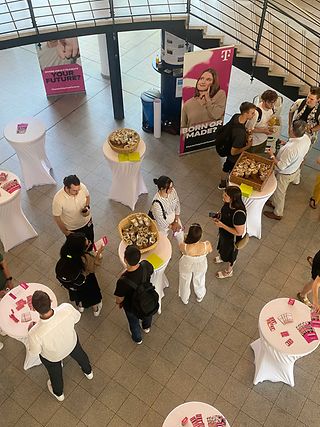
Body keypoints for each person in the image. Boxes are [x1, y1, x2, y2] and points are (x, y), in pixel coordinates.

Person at [28, 290, 93, 402]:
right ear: (50, 301)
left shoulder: (34, 333)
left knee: (55, 374)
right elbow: (77, 318)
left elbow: (35, 352)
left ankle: (59, 394)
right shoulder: (66, 308)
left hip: (53, 356)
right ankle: (88, 372)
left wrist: (32, 329)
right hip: (71, 343)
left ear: (34, 309)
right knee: (81, 355)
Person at [264, 120, 311, 220]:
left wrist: (272, 155)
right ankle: (273, 202)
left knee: (279, 193)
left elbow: (281, 166)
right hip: (295, 168)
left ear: (292, 130)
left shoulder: (290, 149)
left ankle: (278, 213)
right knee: (278, 192)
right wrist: (285, 143)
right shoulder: (306, 139)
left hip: (285, 174)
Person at [114, 245, 154, 344]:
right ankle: (146, 327)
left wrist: (118, 303)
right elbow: (151, 271)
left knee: (133, 322)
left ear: (125, 259)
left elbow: (119, 298)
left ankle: (137, 338)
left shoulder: (122, 281)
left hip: (131, 306)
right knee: (147, 314)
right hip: (146, 298)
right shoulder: (146, 265)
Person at [57, 233, 103, 316]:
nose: (89, 242)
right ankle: (95, 309)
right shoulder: (84, 258)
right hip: (85, 280)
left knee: (78, 295)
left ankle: (80, 306)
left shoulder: (65, 252)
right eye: (87, 243)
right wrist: (98, 255)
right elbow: (93, 269)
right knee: (92, 295)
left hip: (72, 283)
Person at [218, 102, 257, 190]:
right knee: (233, 172)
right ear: (245, 113)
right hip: (234, 157)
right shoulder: (239, 134)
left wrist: (246, 131)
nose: (254, 115)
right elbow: (233, 152)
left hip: (227, 146)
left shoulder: (236, 116)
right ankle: (230, 189)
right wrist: (248, 146)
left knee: (226, 166)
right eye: (252, 113)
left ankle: (222, 184)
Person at [212, 186, 246, 279]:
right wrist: (219, 216)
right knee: (223, 247)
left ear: (233, 198)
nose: (223, 195)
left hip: (232, 239)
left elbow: (239, 232)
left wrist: (222, 225)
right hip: (224, 234)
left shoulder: (239, 214)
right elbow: (225, 211)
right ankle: (222, 257)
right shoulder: (228, 203)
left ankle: (229, 271)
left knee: (231, 254)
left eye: (226, 195)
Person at [52, 175, 94, 246]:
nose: (77, 192)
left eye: (78, 189)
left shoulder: (82, 187)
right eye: (74, 190)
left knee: (90, 240)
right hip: (73, 229)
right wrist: (65, 231)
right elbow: (57, 217)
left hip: (87, 222)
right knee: (77, 246)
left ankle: (90, 252)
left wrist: (87, 206)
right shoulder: (58, 199)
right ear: (67, 188)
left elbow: (87, 196)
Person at [178, 224, 212, 304]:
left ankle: (184, 298)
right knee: (199, 279)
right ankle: (200, 295)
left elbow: (181, 249)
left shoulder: (185, 246)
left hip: (187, 265)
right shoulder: (206, 245)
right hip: (201, 265)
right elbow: (210, 250)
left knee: (184, 280)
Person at [150, 176, 184, 244]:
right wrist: (172, 227)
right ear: (162, 188)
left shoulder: (173, 191)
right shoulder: (156, 203)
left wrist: (176, 220)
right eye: (170, 188)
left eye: (172, 186)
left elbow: (177, 203)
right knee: (163, 239)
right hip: (163, 224)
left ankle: (183, 249)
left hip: (174, 217)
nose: (172, 189)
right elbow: (160, 220)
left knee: (181, 235)